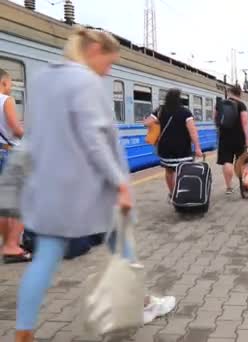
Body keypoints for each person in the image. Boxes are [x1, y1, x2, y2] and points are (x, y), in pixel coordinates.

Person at [15, 27, 174, 342]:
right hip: (90, 189)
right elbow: (94, 139)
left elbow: (32, 134)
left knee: (44, 260)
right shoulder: (84, 80)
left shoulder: (43, 78)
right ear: (93, 51)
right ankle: (143, 304)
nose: (108, 70)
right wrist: (120, 183)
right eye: (109, 62)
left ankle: (23, 332)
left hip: (50, 188)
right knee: (123, 248)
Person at [144, 88, 203, 197]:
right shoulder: (185, 112)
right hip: (182, 149)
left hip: (165, 148)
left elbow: (147, 123)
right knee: (182, 172)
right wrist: (198, 148)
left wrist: (157, 121)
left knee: (169, 171)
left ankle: (172, 193)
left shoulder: (160, 110)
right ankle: (182, 194)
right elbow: (192, 132)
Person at [0, 68, 29, 264]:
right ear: (3, 83)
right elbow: (17, 130)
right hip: (9, 154)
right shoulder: (5, 100)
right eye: (10, 83)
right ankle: (12, 247)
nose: (11, 88)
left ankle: (6, 244)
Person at [213, 86, 248, 195]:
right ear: (240, 94)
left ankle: (229, 187)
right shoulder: (241, 105)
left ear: (229, 92)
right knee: (241, 161)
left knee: (227, 161)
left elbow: (215, 120)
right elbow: (245, 123)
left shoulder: (219, 104)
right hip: (239, 137)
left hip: (224, 137)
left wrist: (220, 130)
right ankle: (244, 184)